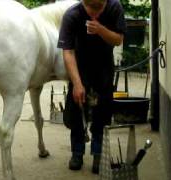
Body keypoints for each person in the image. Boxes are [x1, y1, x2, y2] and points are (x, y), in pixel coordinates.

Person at [57, 0, 126, 174]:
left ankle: (98, 153)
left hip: (104, 70)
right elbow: (68, 52)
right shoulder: (72, 15)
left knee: (102, 114)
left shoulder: (114, 8)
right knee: (76, 111)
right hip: (80, 70)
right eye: (90, 6)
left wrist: (101, 30)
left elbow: (118, 39)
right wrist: (77, 83)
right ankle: (77, 153)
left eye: (98, 5)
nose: (95, 10)